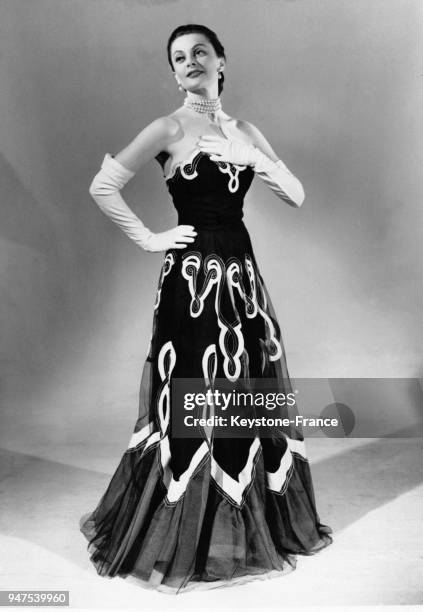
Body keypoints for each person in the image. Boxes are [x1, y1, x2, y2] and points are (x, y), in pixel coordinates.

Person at [79, 23, 333, 594]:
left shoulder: (245, 129)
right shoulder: (168, 127)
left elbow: (294, 194)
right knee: (194, 391)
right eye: (178, 57)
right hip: (191, 278)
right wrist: (148, 237)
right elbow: (104, 184)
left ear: (221, 60)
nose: (189, 62)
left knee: (246, 387)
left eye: (200, 52)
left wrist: (249, 154)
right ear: (172, 71)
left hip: (241, 276)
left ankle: (245, 524)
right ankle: (185, 533)